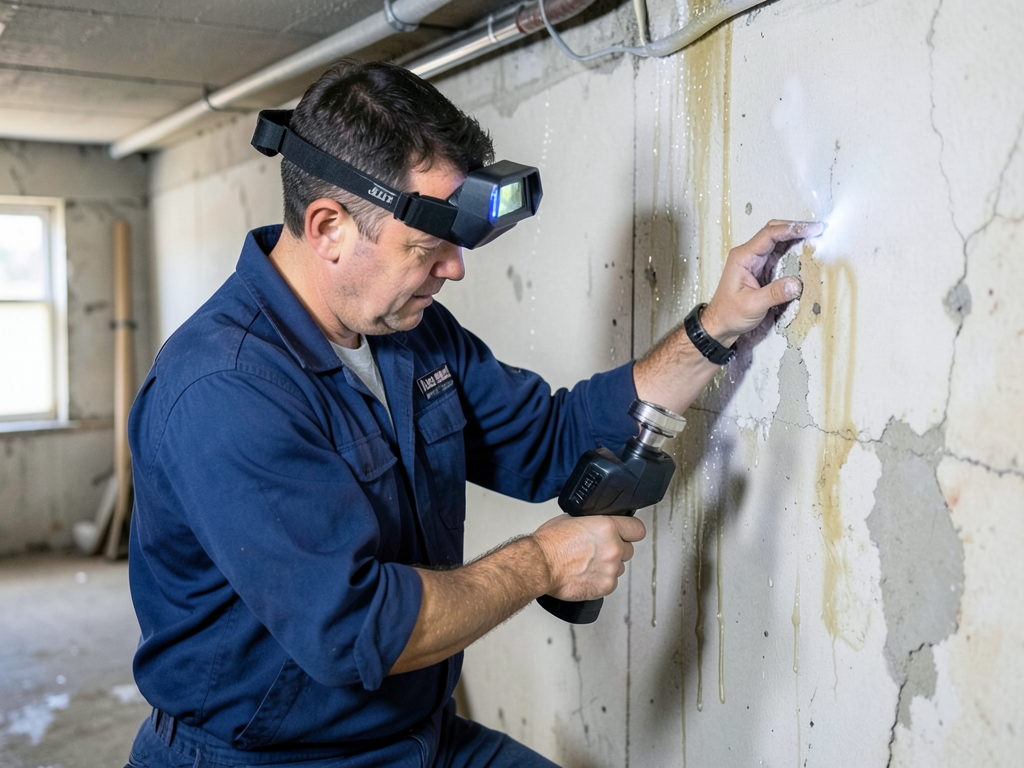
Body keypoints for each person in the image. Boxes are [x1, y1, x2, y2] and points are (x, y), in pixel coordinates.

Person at [123, 59, 822, 768]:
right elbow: (357, 628)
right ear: (329, 227)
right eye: (429, 246)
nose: (455, 267)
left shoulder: (411, 332)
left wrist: (714, 328)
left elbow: (553, 439)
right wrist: (543, 561)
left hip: (418, 737)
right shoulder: (225, 389)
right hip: (270, 759)